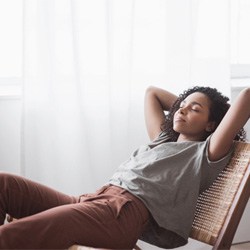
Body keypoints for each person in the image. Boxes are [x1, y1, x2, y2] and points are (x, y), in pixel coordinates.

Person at [0, 85, 249, 249]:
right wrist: (185, 108)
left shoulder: (205, 154)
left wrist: (212, 114)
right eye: (181, 104)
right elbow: (152, 92)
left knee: (18, 233)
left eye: (194, 109)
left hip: (121, 215)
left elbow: (246, 97)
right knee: (5, 185)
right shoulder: (162, 140)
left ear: (211, 125)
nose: (183, 108)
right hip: (93, 201)